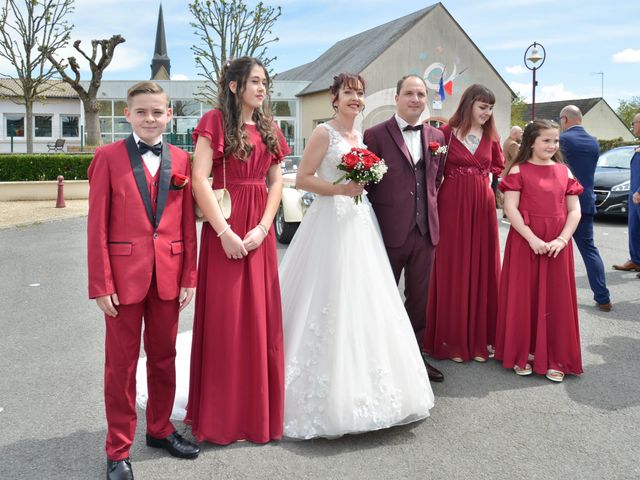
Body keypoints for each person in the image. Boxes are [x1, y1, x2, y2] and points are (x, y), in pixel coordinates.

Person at [279, 73, 434, 440]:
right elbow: (302, 178)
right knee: (328, 294)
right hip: (330, 222)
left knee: (367, 298)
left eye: (360, 94)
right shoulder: (324, 133)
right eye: (349, 92)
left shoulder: (360, 136)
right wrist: (342, 189)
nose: (355, 98)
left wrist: (357, 189)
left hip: (361, 221)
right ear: (334, 98)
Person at [87, 81, 200, 480]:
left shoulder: (182, 160)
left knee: (165, 358)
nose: (150, 119)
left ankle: (159, 429)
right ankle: (117, 449)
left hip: (169, 276)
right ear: (127, 115)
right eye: (142, 112)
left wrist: (190, 275)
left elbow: (187, 224)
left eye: (158, 112)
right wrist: (101, 283)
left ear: (170, 115)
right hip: (122, 278)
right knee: (119, 366)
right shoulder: (107, 157)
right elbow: (96, 225)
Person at [185, 56, 289, 444]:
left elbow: (276, 183)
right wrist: (224, 232)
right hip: (224, 226)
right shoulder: (214, 120)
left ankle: (256, 412)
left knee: (260, 320)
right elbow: (199, 179)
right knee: (226, 320)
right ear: (234, 86)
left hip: (258, 229)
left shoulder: (271, 127)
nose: (262, 88)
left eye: (265, 83)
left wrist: (264, 228)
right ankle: (221, 417)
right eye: (255, 82)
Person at [363, 74, 447, 382]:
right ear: (396, 98)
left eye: (421, 94)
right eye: (409, 93)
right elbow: (367, 185)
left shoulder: (437, 136)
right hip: (388, 230)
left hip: (425, 232)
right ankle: (380, 359)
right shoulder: (374, 134)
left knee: (419, 301)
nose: (415, 99)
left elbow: (435, 180)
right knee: (381, 297)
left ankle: (415, 360)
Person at [495, 119, 584, 383]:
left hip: (558, 244)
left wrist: (563, 240)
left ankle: (556, 357)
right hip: (525, 241)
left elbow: (574, 210)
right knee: (524, 297)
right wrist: (532, 238)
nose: (552, 145)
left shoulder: (564, 171)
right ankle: (521, 354)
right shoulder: (518, 171)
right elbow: (510, 209)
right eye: (546, 140)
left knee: (556, 300)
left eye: (555, 140)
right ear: (531, 141)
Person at [423, 84, 504, 363]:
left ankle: (481, 340)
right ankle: (452, 339)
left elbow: (497, 169)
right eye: (483, 106)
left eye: (490, 108)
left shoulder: (492, 136)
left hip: (482, 208)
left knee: (482, 268)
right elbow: (431, 172)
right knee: (452, 268)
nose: (487, 112)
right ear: (468, 104)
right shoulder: (445, 133)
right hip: (451, 206)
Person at [559, 105, 612, 311]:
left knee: (554, 248)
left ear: (565, 120)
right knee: (590, 250)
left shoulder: (563, 141)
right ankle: (603, 297)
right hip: (586, 201)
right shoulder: (594, 142)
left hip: (563, 203)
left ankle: (552, 296)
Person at [612, 112, 640, 277]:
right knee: (634, 229)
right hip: (634, 197)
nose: (633, 126)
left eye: (634, 123)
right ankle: (636, 260)